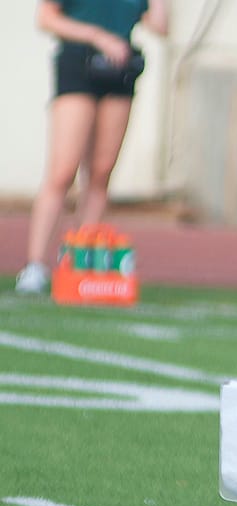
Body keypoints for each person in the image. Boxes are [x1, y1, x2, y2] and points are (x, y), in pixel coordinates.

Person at [14, 0, 170, 295]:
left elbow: (160, 27)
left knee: (101, 172)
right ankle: (35, 266)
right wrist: (97, 36)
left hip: (120, 68)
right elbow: (46, 18)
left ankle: (81, 260)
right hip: (79, 62)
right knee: (62, 172)